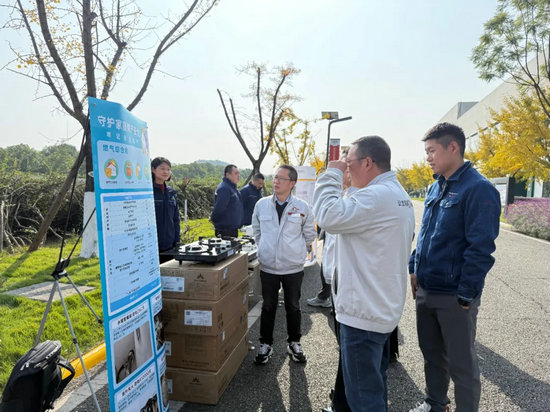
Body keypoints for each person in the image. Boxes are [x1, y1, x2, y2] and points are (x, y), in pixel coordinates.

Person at [313, 136, 415, 411]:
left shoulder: (376, 196)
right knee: (369, 388)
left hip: (364, 315)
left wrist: (331, 175)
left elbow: (327, 216)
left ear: (368, 162)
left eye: (349, 162)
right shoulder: (394, 194)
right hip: (377, 308)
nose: (346, 168)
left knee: (364, 399)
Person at [408, 123, 501, 412]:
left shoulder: (479, 189)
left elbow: (481, 247)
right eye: (426, 152)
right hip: (426, 287)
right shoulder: (435, 186)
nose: (428, 158)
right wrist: (413, 267)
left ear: (453, 147)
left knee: (462, 365)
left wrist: (467, 293)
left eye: (432, 151)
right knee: (432, 356)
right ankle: (435, 404)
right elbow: (426, 233)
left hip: (454, 295)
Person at [252, 165, 316, 365]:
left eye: (281, 178)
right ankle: (265, 344)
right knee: (268, 306)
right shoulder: (262, 205)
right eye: (275, 177)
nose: (276, 181)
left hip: (293, 267)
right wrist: (265, 248)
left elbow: (309, 234)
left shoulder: (302, 207)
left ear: (292, 183)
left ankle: (294, 342)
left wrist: (298, 251)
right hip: (268, 267)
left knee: (293, 306)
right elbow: (257, 231)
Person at [151, 157, 181, 264]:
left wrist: (177, 241)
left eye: (168, 169)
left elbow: (176, 219)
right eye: (162, 168)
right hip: (153, 245)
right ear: (153, 169)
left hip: (170, 244)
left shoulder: (172, 192)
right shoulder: (148, 192)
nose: (166, 172)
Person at [210, 164, 243, 238]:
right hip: (225, 230)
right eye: (236, 173)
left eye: (238, 173)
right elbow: (219, 207)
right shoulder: (224, 189)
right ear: (228, 175)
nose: (238, 175)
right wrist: (213, 219)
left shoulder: (233, 188)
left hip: (232, 230)